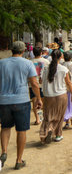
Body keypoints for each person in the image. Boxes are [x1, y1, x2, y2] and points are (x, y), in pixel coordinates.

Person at [0, 41, 42, 170]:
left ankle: (4, 152)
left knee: (5, 127)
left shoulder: (1, 63)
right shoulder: (27, 63)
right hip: (21, 101)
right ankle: (18, 160)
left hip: (4, 101)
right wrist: (39, 99)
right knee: (21, 130)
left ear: (12, 50)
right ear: (23, 51)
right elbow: (34, 84)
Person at [40, 50, 72, 143]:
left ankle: (47, 131)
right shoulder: (63, 69)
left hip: (47, 96)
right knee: (59, 116)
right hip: (61, 95)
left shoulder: (46, 68)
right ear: (61, 57)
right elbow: (68, 83)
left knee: (48, 116)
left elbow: (41, 81)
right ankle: (58, 135)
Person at [30, 47, 50, 125]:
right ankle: (44, 117)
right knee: (44, 101)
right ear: (41, 53)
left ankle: (37, 119)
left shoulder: (30, 62)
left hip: (33, 84)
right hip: (43, 84)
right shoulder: (46, 61)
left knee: (34, 101)